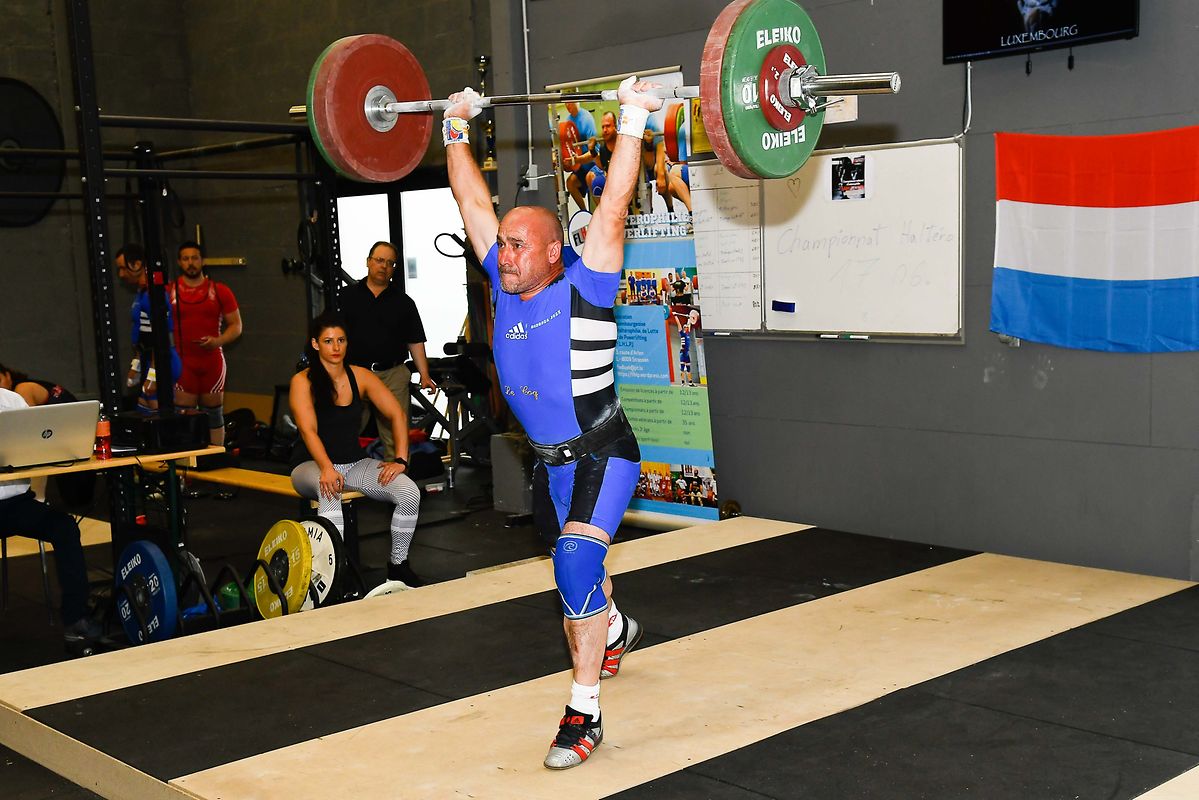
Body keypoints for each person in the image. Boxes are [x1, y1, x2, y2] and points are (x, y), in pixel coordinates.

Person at [443, 76, 660, 769]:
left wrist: (630, 119)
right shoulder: (503, 277)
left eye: (514, 245)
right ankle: (615, 627)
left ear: (547, 250)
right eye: (499, 244)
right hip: (549, 462)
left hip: (603, 450)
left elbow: (615, 208)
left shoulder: (587, 283)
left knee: (572, 563)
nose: (501, 254)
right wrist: (455, 126)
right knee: (582, 577)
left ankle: (582, 712)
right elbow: (470, 198)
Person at [289, 310, 424, 588]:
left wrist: (400, 458)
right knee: (330, 490)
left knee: (409, 491)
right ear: (315, 344)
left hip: (353, 464)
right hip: (309, 466)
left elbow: (397, 413)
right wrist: (326, 468)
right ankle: (332, 577)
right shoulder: (302, 381)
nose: (335, 347)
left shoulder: (360, 376)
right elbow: (308, 431)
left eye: (341, 340)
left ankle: (398, 566)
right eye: (328, 341)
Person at [0, 387, 99, 649]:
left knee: (65, 528)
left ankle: (76, 620)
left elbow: (38, 446)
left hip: (16, 503)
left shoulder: (11, 400)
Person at [340, 241, 436, 462]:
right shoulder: (346, 297)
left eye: (390, 263)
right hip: (354, 374)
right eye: (379, 260)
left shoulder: (404, 303)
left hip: (392, 375)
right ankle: (339, 484)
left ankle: (399, 490)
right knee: (344, 432)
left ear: (394, 269)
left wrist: (424, 375)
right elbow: (332, 335)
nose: (384, 266)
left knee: (396, 434)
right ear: (368, 262)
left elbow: (415, 341)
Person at [167, 241, 242, 445]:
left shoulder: (219, 291)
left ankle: (217, 462)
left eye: (195, 258)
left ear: (202, 261)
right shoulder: (169, 292)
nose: (190, 263)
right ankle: (186, 470)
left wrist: (217, 341)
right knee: (184, 414)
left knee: (214, 414)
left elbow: (236, 326)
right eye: (185, 258)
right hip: (183, 364)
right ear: (179, 262)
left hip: (211, 362)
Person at [114, 243, 183, 411]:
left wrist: (153, 373)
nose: (121, 274)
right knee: (144, 408)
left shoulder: (153, 295)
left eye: (123, 268)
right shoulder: (142, 294)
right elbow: (142, 333)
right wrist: (137, 364)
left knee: (158, 412)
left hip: (161, 361)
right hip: (148, 360)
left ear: (137, 265)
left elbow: (160, 337)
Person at [561, 102, 599, 212]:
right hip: (582, 165)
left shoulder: (587, 119)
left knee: (591, 179)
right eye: (565, 103)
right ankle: (584, 214)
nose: (568, 106)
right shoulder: (568, 120)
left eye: (570, 103)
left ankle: (601, 214)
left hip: (594, 163)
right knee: (570, 183)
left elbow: (594, 152)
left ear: (576, 102)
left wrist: (576, 159)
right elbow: (570, 149)